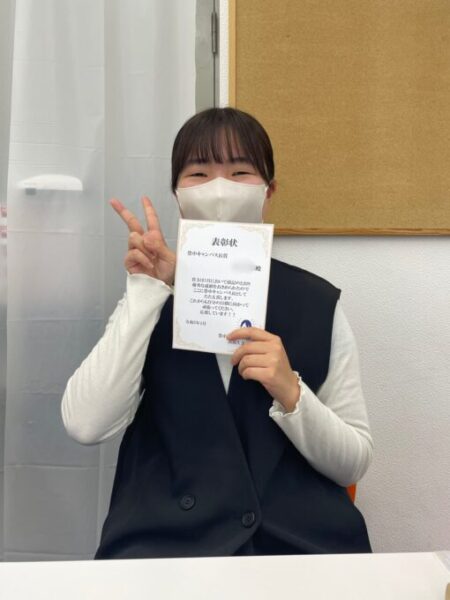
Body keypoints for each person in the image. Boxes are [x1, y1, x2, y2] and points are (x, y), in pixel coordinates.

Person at [62, 107, 373, 558]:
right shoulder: (152, 298)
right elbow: (85, 424)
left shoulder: (317, 304)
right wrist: (146, 291)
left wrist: (291, 392)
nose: (221, 188)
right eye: (199, 173)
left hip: (295, 548)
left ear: (269, 191)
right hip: (168, 547)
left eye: (240, 172)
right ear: (177, 194)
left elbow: (353, 462)